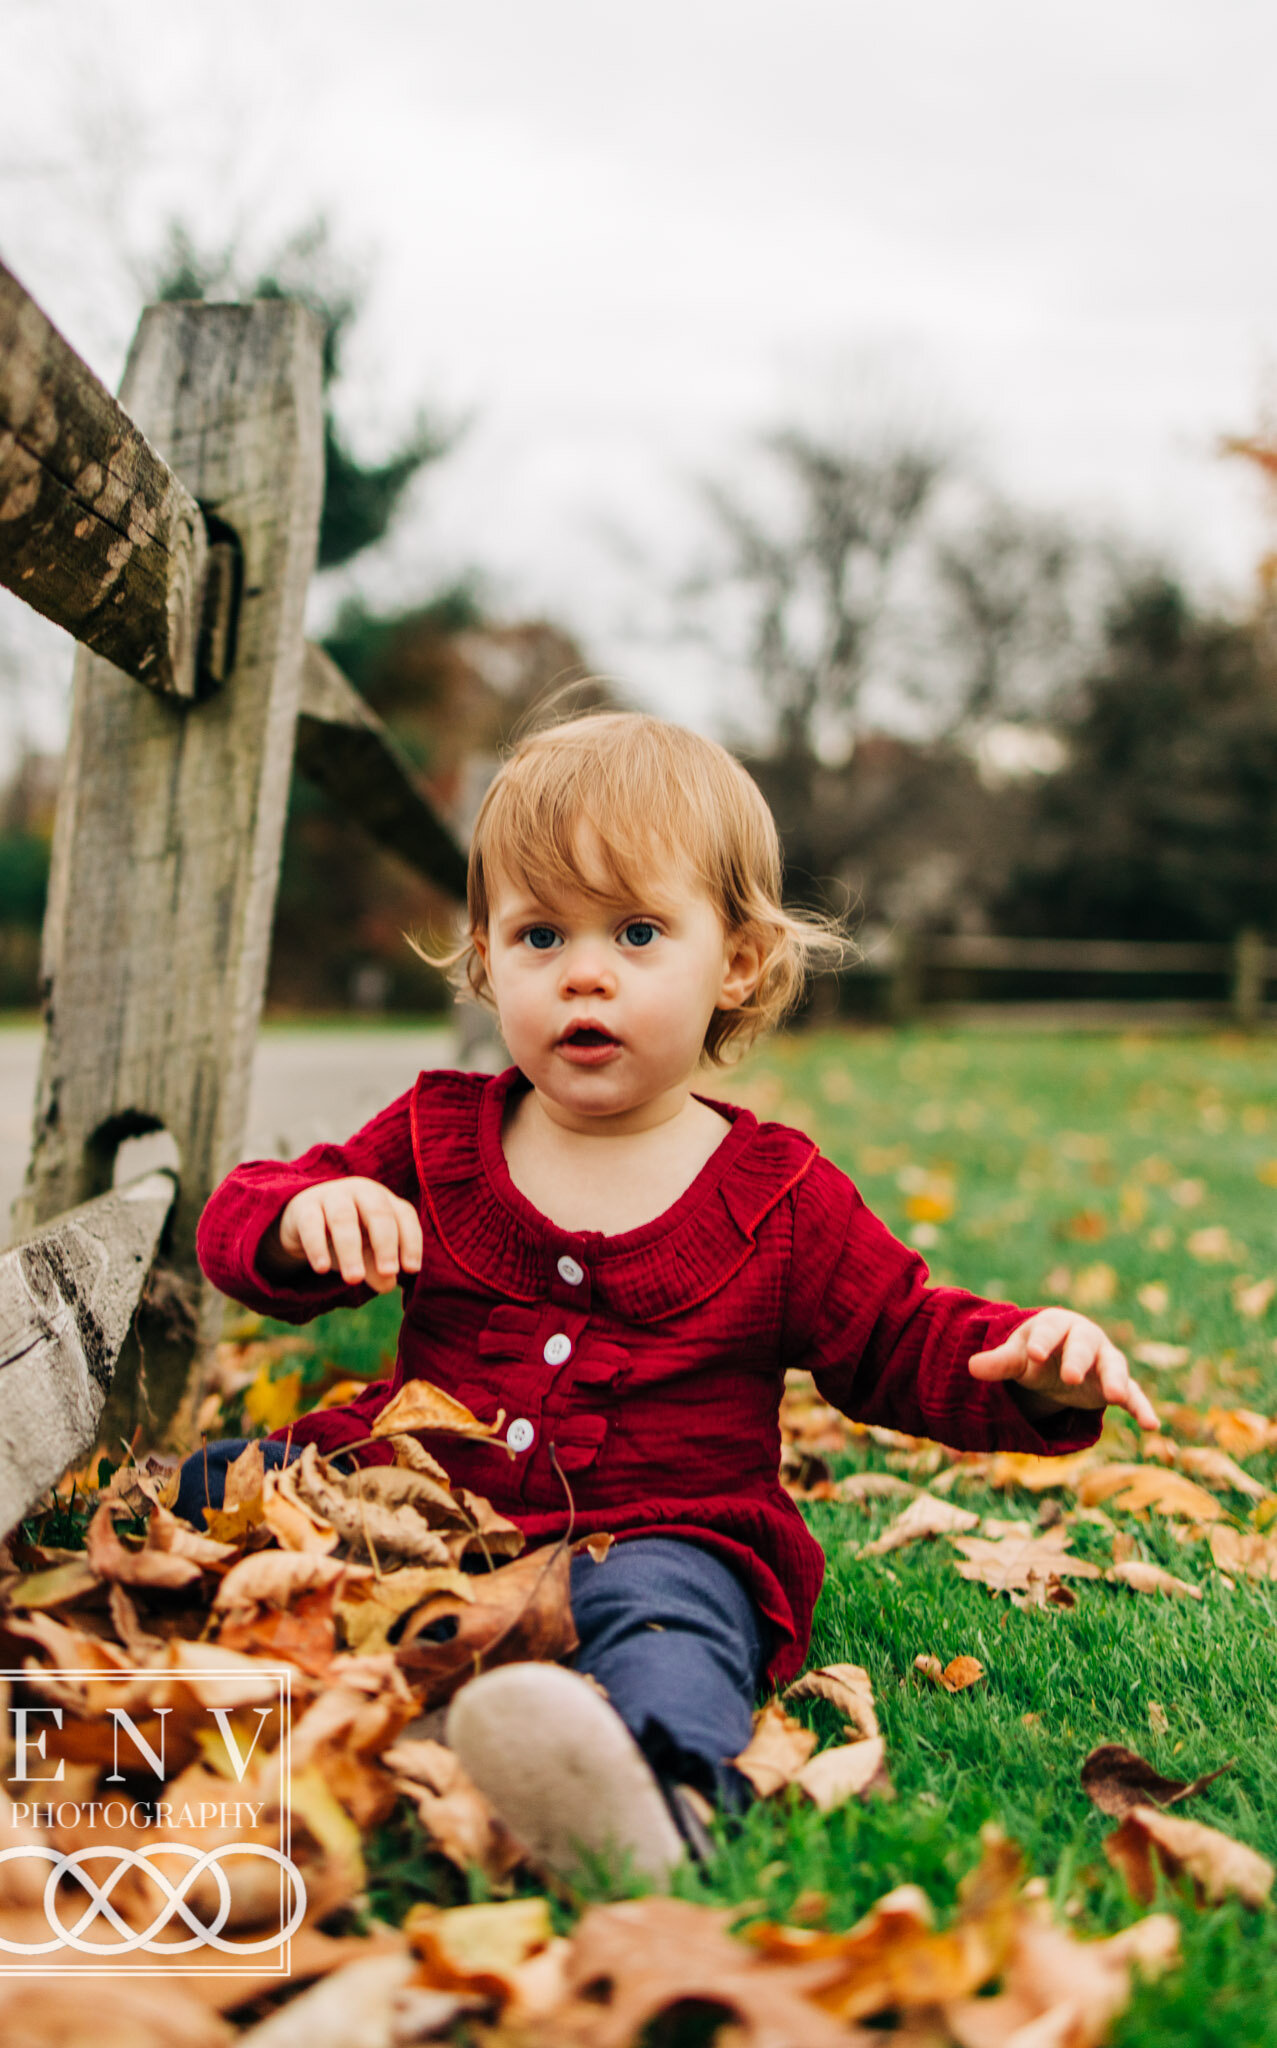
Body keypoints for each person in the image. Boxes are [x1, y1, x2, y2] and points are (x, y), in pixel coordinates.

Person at [184, 710, 1159, 1884]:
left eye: (638, 931)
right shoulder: (436, 1135)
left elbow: (903, 1333)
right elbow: (251, 1209)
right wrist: (301, 1221)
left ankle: (656, 1795)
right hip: (422, 1507)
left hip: (657, 1529)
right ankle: (280, 1705)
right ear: (488, 958)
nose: (584, 970)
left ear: (736, 961)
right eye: (541, 933)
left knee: (669, 1624)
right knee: (219, 1487)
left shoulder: (778, 1194)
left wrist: (1027, 1361)